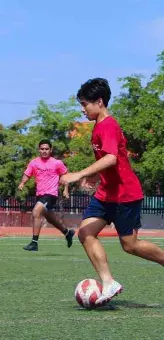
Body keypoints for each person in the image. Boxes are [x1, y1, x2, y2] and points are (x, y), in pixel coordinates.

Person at [60, 78, 164, 306]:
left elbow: (111, 158)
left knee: (130, 245)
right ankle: (108, 282)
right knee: (85, 233)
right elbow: (111, 161)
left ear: (99, 102)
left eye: (85, 104)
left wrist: (77, 174)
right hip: (106, 193)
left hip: (125, 195)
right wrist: (94, 176)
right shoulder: (98, 126)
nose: (82, 108)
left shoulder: (108, 125)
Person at [18, 139, 75, 251]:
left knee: (36, 212)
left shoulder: (57, 163)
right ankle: (68, 233)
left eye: (47, 149)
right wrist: (22, 183)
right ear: (39, 150)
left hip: (51, 194)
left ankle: (34, 243)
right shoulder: (34, 162)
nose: (44, 151)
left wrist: (66, 190)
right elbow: (27, 174)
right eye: (42, 149)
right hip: (40, 194)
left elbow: (65, 176)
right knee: (51, 219)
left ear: (51, 150)